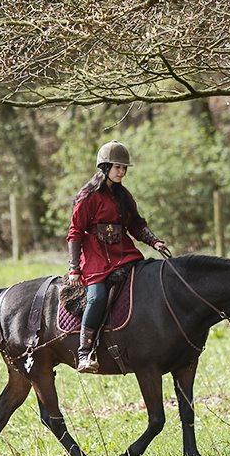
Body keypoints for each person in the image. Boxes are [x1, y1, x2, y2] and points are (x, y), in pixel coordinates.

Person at [67, 141, 171, 372]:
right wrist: (74, 268)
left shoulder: (124, 196)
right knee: (96, 297)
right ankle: (85, 352)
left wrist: (154, 241)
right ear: (104, 167)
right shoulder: (88, 197)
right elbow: (74, 232)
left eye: (124, 168)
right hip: (95, 257)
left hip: (124, 253)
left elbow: (136, 224)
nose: (122, 172)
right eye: (117, 167)